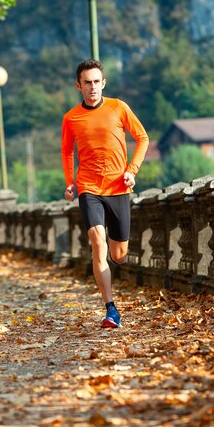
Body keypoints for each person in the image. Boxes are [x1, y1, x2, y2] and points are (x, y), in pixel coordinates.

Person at [61, 59, 149, 328]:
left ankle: (116, 259)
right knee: (97, 241)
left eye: (96, 81)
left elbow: (142, 137)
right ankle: (111, 309)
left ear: (103, 83)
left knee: (119, 254)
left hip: (118, 188)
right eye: (87, 83)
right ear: (79, 86)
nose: (92, 87)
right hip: (89, 187)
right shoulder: (71, 117)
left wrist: (132, 170)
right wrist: (70, 182)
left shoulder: (118, 107)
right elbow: (67, 151)